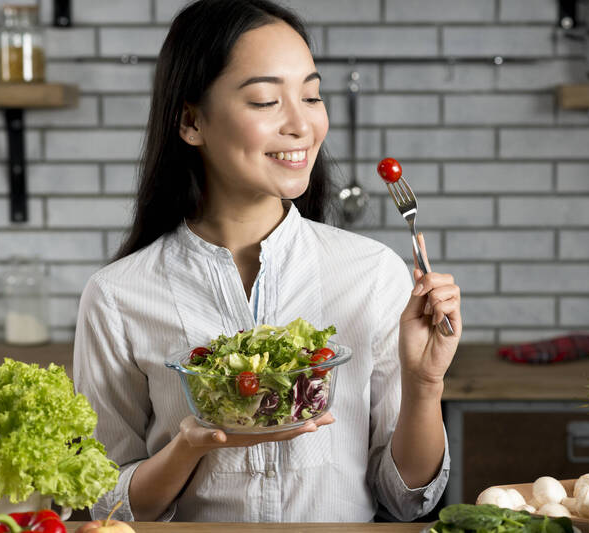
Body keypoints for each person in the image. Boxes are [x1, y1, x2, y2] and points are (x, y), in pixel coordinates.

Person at [73, 0, 462, 524]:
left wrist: (425, 385)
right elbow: (101, 504)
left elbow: (406, 497)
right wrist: (189, 446)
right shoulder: (118, 294)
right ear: (191, 121)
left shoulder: (372, 274)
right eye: (265, 101)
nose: (302, 124)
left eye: (311, 95)